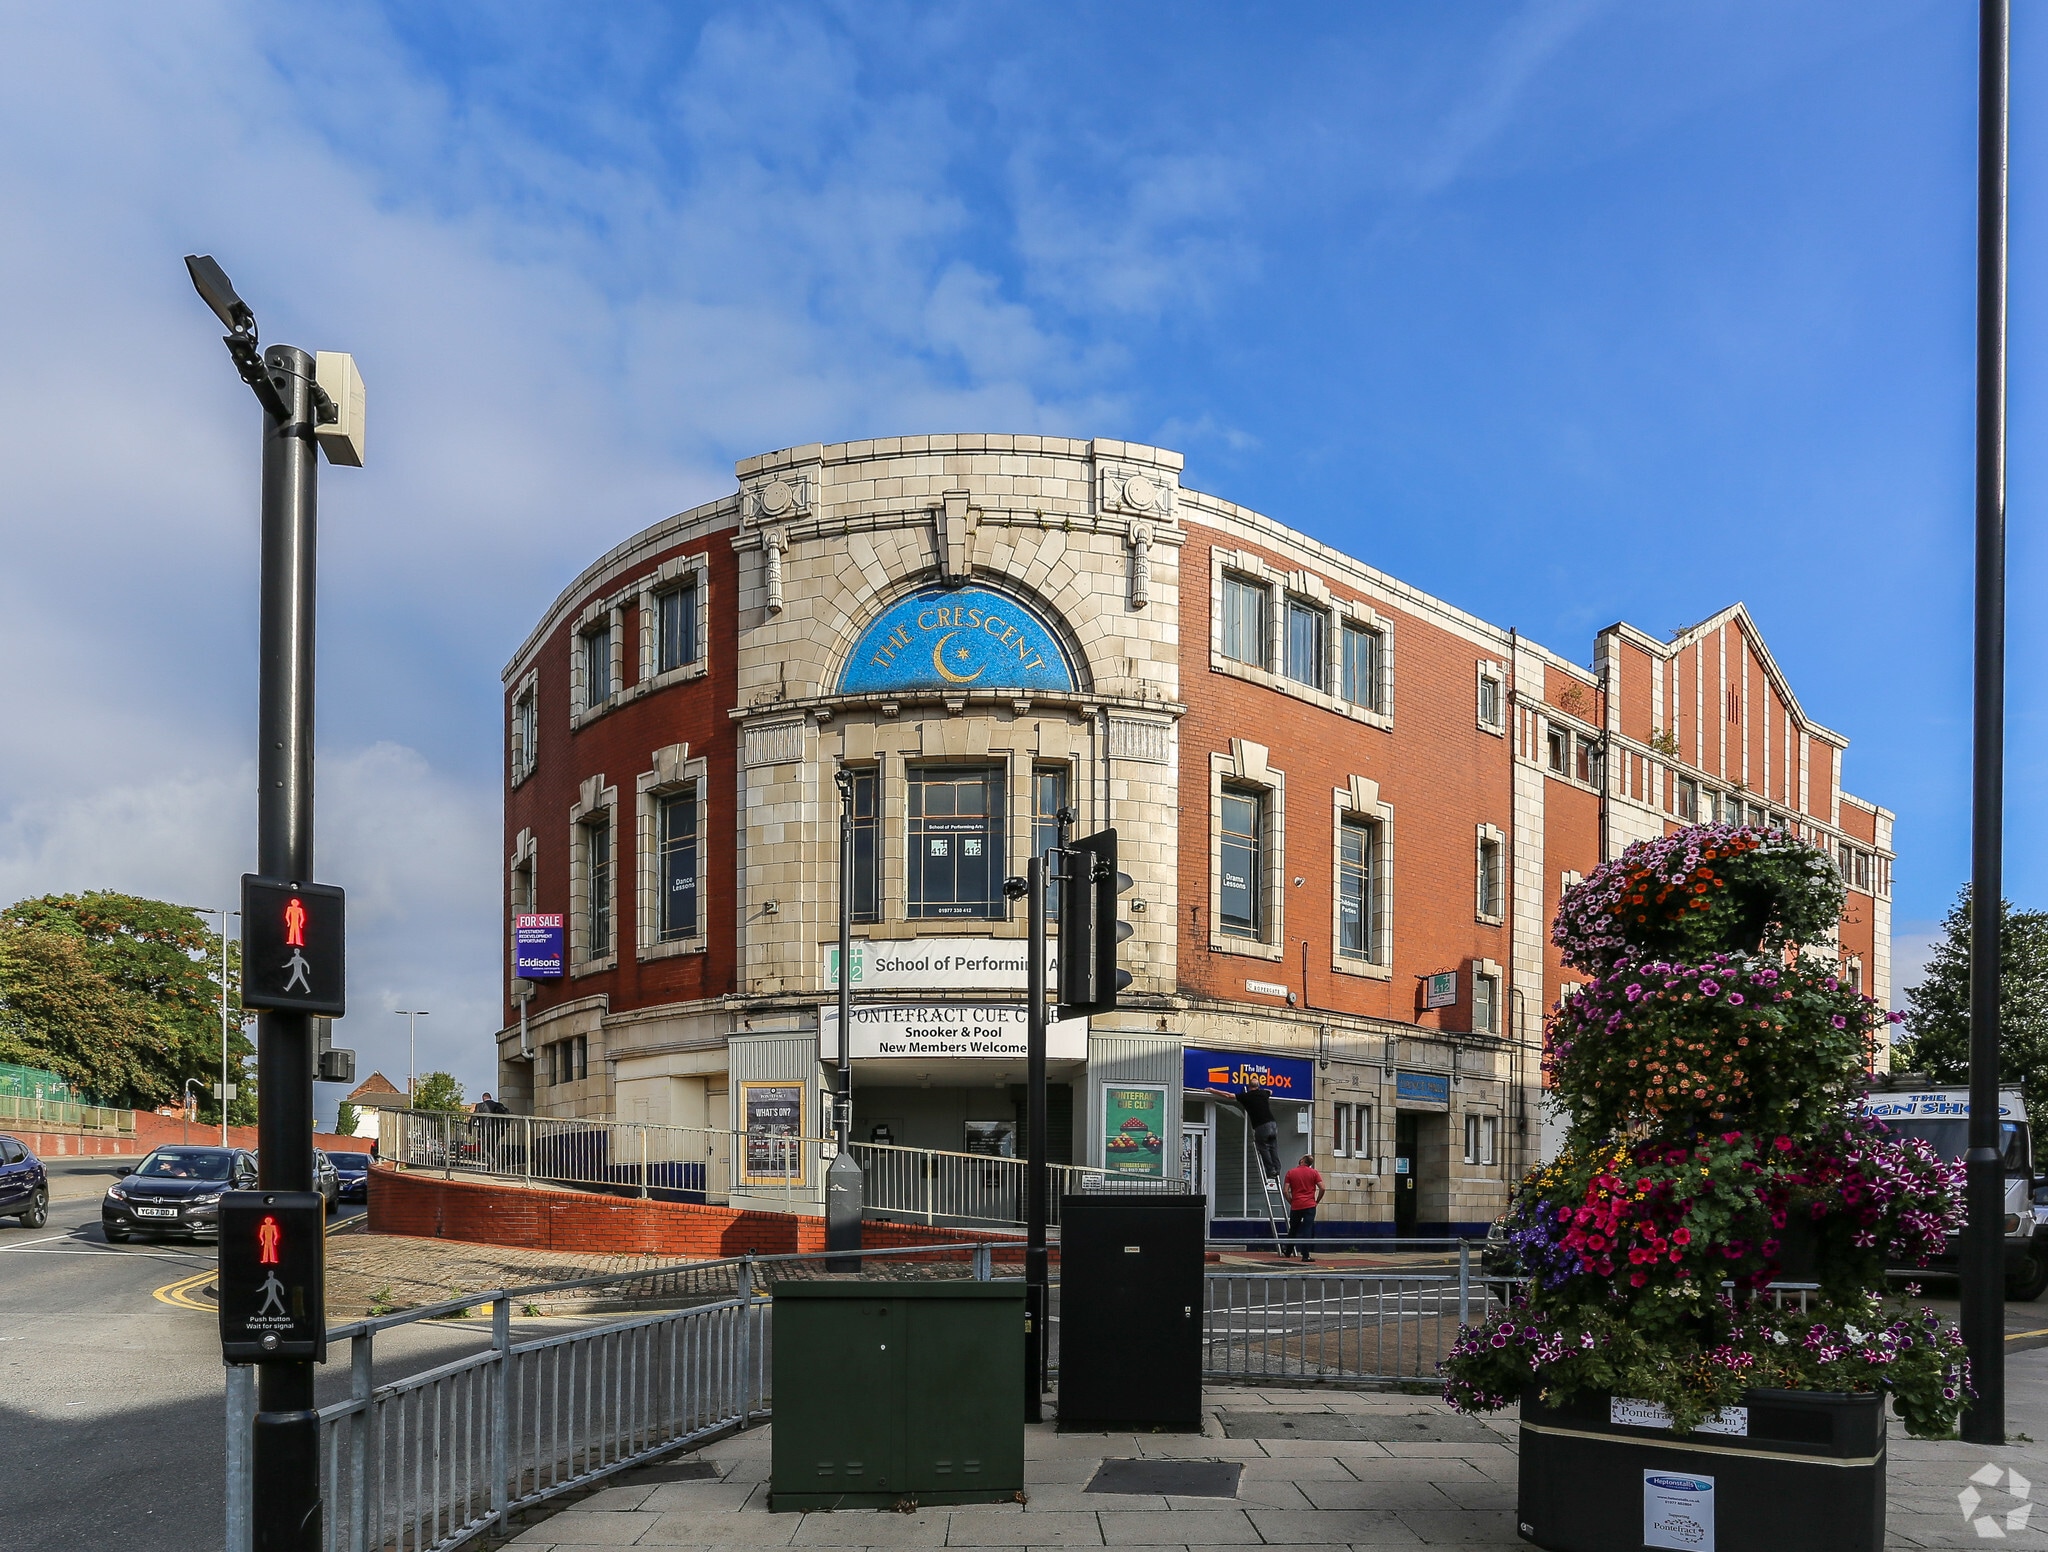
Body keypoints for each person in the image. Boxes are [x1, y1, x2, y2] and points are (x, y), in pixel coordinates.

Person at [1209, 1083, 1283, 1181]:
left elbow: (1228, 1095)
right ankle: (1277, 1168)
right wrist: (1262, 1089)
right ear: (1258, 1086)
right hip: (1272, 1124)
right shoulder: (1263, 1093)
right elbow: (1270, 1091)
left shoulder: (1246, 1096)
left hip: (1261, 1125)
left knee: (1263, 1147)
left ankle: (1270, 1170)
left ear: (1249, 1087)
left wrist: (1212, 1090)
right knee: (1273, 1147)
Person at [1281, 1154, 1325, 1261]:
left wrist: (1291, 1201)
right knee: (1307, 1229)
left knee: (1293, 1228)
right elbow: (1322, 1188)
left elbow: (1285, 1191)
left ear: (1302, 1161)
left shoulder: (1291, 1172)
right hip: (1310, 1205)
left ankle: (1288, 1251)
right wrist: (1317, 1201)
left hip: (1296, 1205)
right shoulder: (1314, 1173)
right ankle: (1305, 1255)